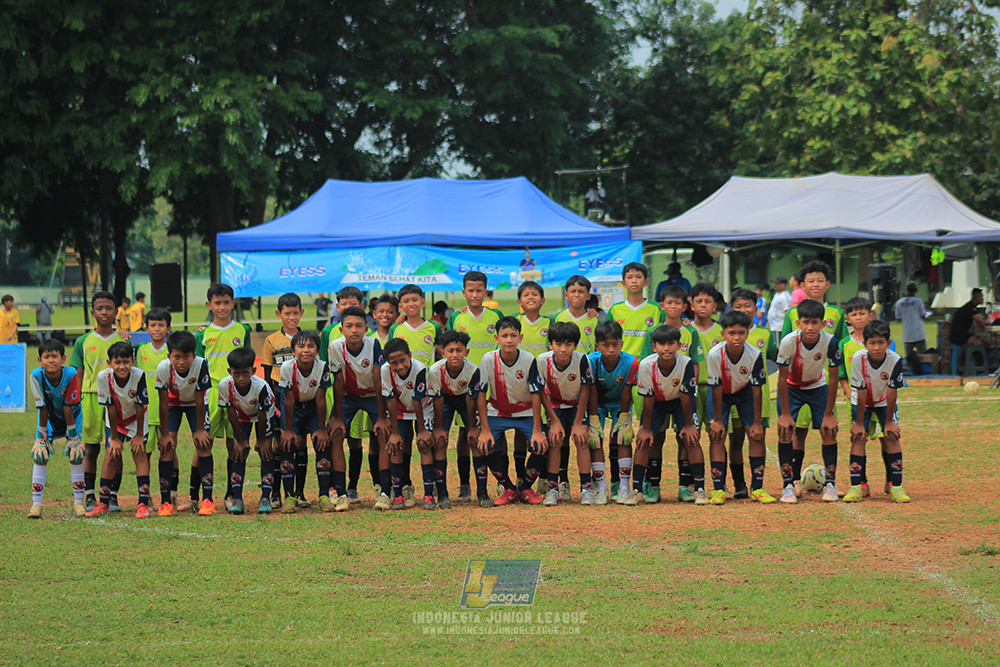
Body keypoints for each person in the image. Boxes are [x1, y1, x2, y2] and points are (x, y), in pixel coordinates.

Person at [781, 261, 847, 493]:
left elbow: (840, 348)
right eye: (811, 280)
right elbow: (785, 356)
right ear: (802, 285)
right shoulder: (791, 317)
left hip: (819, 384)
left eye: (820, 280)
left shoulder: (835, 316)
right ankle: (793, 482)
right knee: (795, 430)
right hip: (793, 384)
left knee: (828, 429)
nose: (816, 284)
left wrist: (844, 383)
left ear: (828, 284)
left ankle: (831, 483)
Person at [193, 283, 253, 514]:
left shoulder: (242, 330)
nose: (222, 307)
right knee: (204, 442)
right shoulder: (203, 334)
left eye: (226, 302)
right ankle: (200, 496)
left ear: (233, 304)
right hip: (212, 392)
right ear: (209, 305)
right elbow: (197, 367)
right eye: (217, 303)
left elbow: (246, 360)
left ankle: (231, 494)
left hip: (236, 392)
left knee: (233, 442)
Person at [475, 316, 546, 507]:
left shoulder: (529, 359)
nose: (509, 340)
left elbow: (536, 394)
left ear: (520, 337)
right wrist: (484, 429)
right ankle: (508, 487)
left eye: (513, 335)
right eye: (504, 335)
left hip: (525, 412)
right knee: (483, 443)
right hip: (497, 412)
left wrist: (538, 430)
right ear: (496, 338)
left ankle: (525, 488)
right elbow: (481, 393)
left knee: (542, 443)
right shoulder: (488, 359)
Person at [446, 271, 504, 502]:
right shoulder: (457, 318)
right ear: (464, 292)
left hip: (491, 385)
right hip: (463, 387)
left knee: (495, 433)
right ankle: (464, 485)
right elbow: (449, 346)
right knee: (465, 434)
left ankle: (500, 482)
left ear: (486, 291)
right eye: (470, 290)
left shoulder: (495, 315)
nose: (475, 294)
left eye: (479, 290)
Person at [608, 262, 663, 500]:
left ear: (646, 282)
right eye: (629, 277)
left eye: (638, 277)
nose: (634, 281)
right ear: (623, 283)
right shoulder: (616, 310)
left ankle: (649, 481)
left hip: (646, 375)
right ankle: (614, 481)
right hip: (620, 375)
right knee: (619, 430)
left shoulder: (655, 310)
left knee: (647, 429)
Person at [327, 306, 391, 509]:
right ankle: (341, 494)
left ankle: (384, 493)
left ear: (366, 328)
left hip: (373, 396)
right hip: (347, 397)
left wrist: (381, 416)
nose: (354, 330)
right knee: (335, 434)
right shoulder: (335, 347)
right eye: (349, 326)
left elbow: (378, 378)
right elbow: (337, 382)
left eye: (359, 326)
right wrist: (337, 416)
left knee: (383, 433)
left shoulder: (374, 345)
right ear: (341, 329)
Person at [647, 284, 704, 504]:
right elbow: (647, 362)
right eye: (669, 302)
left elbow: (695, 363)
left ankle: (686, 486)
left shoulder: (690, 331)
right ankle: (652, 485)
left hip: (684, 396)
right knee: (655, 438)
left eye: (677, 303)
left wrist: (691, 389)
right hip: (659, 396)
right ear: (662, 306)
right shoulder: (655, 332)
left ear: (684, 306)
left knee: (687, 439)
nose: (673, 306)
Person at [319, 286, 375, 504]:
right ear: (337, 305)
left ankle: (352, 487)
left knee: (356, 440)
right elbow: (325, 366)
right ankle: (337, 487)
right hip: (337, 393)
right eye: (345, 304)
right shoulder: (328, 333)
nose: (349, 307)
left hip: (363, 392)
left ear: (361, 306)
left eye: (354, 304)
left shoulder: (365, 335)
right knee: (336, 436)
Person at [705, 311, 767, 505]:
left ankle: (757, 487)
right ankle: (718, 489)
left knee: (756, 434)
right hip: (720, 395)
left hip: (744, 392)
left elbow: (757, 390)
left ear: (748, 333)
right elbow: (715, 388)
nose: (737, 337)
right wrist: (716, 420)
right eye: (732, 333)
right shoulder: (715, 354)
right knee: (717, 436)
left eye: (741, 332)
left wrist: (757, 422)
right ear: (723, 334)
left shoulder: (755, 355)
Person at [70, 291, 124, 512]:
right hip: (91, 399)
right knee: (90, 449)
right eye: (99, 308)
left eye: (108, 308)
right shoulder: (82, 341)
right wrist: (75, 404)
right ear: (93, 312)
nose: (104, 312)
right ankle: (90, 495)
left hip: (118, 400)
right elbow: (77, 376)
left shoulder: (123, 339)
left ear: (116, 312)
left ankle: (112, 496)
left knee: (115, 449)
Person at [634, 325, 700, 506]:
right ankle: (638, 490)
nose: (667, 348)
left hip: (680, 401)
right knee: (644, 441)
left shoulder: (686, 363)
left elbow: (686, 396)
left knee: (692, 438)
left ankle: (698, 489)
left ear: (679, 345)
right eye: (661, 344)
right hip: (656, 403)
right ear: (654, 347)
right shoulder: (646, 365)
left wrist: (688, 425)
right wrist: (646, 429)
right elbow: (648, 399)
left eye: (671, 343)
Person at [846, 319, 910, 503]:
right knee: (858, 437)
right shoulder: (858, 358)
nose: (876, 347)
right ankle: (856, 487)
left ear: (888, 343)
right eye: (872, 343)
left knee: (892, 437)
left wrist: (889, 421)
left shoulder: (895, 360)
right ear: (865, 344)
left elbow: (892, 391)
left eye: (881, 342)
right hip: (861, 403)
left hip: (884, 402)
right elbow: (861, 391)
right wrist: (858, 423)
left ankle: (896, 486)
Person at [87, 341, 150, 518]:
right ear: (109, 363)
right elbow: (110, 407)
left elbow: (140, 406)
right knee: (110, 454)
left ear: (133, 361)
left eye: (126, 362)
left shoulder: (139, 375)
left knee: (139, 453)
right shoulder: (103, 377)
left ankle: (143, 504)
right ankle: (104, 503)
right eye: (117, 362)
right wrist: (114, 437)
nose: (122, 366)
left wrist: (138, 435)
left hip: (137, 419)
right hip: (115, 420)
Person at [728, 288, 779, 502]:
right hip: (731, 396)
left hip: (758, 397)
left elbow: (778, 359)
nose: (743, 310)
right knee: (735, 440)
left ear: (755, 309)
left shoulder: (765, 334)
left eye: (747, 306)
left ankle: (757, 486)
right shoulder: (727, 334)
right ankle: (739, 485)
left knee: (757, 437)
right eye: (738, 306)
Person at [536, 322, 595, 506]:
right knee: (555, 441)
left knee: (581, 440)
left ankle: (586, 488)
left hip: (576, 405)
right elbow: (540, 391)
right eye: (558, 344)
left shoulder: (582, 359)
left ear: (575, 346)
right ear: (550, 344)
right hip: (554, 406)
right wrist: (553, 420)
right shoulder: (542, 360)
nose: (563, 349)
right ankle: (553, 489)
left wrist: (578, 423)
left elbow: (586, 390)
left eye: (568, 344)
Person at [154, 331, 212, 516]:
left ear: (194, 356)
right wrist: (164, 434)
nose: (181, 361)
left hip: (196, 404)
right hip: (172, 405)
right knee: (167, 447)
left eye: (186, 357)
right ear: (169, 356)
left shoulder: (201, 364)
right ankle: (166, 501)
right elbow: (163, 402)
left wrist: (201, 429)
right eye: (176, 357)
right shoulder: (163, 368)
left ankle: (207, 500)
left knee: (203, 444)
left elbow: (199, 396)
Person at [27, 339, 85, 518]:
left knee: (76, 455)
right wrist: (42, 436)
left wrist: (73, 436)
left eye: (55, 356)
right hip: (48, 418)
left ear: (63, 358)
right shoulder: (36, 376)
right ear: (39, 360)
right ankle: (36, 504)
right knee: (40, 455)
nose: (51, 360)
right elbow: (42, 407)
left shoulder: (71, 374)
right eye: (46, 357)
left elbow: (69, 406)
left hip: (72, 417)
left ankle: (79, 502)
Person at [279, 330, 334, 512]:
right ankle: (289, 496)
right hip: (292, 407)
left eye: (311, 346)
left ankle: (324, 495)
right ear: (293, 349)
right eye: (301, 346)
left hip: (312, 407)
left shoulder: (322, 367)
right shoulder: (287, 367)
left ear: (317, 350)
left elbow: (321, 399)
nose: (306, 350)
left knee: (321, 443)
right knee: (287, 444)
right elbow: (288, 399)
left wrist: (321, 428)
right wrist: (287, 430)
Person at [218, 347, 278, 513]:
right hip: (241, 415)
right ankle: (237, 499)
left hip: (264, 415)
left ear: (253, 370)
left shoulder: (261, 387)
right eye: (236, 374)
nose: (241, 378)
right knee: (238, 453)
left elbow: (262, 414)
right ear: (230, 371)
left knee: (266, 453)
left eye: (246, 373)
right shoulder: (225, 385)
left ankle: (265, 497)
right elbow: (230, 412)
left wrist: (262, 441)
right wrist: (241, 441)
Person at [428, 330, 483, 507]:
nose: (455, 354)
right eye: (450, 350)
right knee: (440, 441)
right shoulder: (436, 370)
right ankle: (442, 493)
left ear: (466, 352)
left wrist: (473, 427)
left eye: (459, 350)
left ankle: (481, 491)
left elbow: (471, 399)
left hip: (465, 400)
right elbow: (437, 399)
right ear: (443, 352)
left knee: (475, 440)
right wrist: (438, 428)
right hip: (444, 400)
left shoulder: (473, 370)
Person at [587, 321, 639, 505]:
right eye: (605, 345)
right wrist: (593, 418)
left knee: (623, 438)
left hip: (619, 402)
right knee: (595, 439)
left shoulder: (631, 362)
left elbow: (627, 390)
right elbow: (591, 390)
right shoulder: (591, 361)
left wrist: (624, 417)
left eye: (615, 344)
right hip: (597, 403)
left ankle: (624, 486)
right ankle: (601, 487)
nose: (610, 350)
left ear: (621, 344)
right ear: (597, 346)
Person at [381, 338, 436, 510]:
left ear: (410, 356)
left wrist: (422, 431)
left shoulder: (419, 368)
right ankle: (398, 496)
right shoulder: (385, 370)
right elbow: (389, 399)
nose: (400, 366)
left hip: (423, 408)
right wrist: (395, 433)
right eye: (394, 363)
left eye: (403, 360)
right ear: (388, 363)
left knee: (423, 443)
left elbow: (417, 400)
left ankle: (428, 495)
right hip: (399, 409)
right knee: (396, 445)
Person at [260, 293, 302, 505]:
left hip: (301, 395)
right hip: (278, 394)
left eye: (295, 313)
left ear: (301, 313)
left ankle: (299, 493)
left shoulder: (306, 339)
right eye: (287, 313)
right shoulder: (271, 340)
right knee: (278, 443)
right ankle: (276, 493)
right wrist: (271, 402)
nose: (292, 317)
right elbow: (267, 375)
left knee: (299, 442)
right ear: (279, 314)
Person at [513, 281, 554, 495]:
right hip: (519, 384)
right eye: (526, 294)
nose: (531, 297)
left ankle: (544, 478)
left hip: (545, 386)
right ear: (519, 302)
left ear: (543, 300)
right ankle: (521, 475)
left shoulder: (550, 322)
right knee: (521, 431)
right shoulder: (513, 322)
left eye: (535, 294)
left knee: (543, 430)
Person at [135, 308, 173, 506]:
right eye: (153, 325)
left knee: (169, 452)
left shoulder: (172, 352)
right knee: (145, 454)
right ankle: (146, 495)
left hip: (168, 411)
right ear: (146, 327)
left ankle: (170, 493)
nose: (157, 329)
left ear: (168, 328)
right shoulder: (139, 350)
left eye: (161, 325)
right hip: (147, 412)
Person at [553, 275, 600, 356]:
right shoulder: (557, 318)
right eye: (573, 291)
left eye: (581, 292)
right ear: (566, 295)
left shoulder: (595, 320)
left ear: (588, 296)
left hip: (587, 366)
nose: (577, 295)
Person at [949, 288, 987, 375]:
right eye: (982, 297)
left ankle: (976, 370)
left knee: (980, 342)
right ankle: (980, 370)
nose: (983, 299)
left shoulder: (970, 307)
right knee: (982, 344)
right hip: (959, 337)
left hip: (959, 335)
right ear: (977, 297)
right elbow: (983, 323)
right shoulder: (970, 308)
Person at [894, 283, 928, 359]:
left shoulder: (899, 302)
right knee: (923, 357)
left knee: (909, 358)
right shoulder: (918, 301)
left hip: (907, 334)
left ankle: (910, 370)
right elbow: (923, 314)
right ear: (916, 290)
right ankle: (924, 370)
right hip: (919, 333)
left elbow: (898, 318)